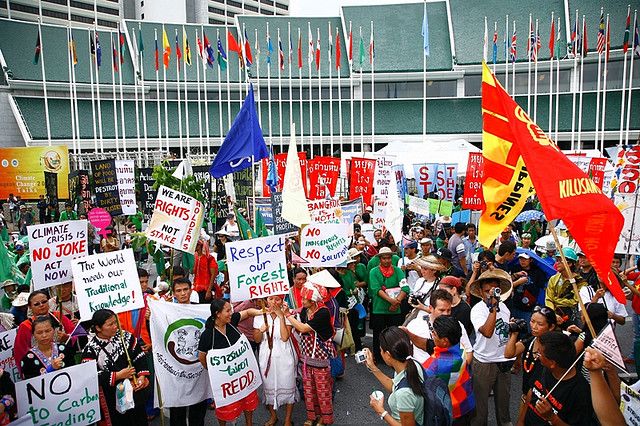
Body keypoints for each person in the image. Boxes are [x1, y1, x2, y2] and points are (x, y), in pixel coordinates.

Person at [198, 299, 263, 426]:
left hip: (242, 375)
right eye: (227, 311)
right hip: (224, 381)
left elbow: (248, 312)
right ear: (217, 314)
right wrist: (213, 370)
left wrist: (261, 312)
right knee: (224, 406)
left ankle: (249, 424)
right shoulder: (207, 335)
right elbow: (202, 357)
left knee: (247, 398)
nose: (231, 313)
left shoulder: (232, 322)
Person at [82, 309, 150, 425]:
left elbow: (139, 356)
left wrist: (141, 376)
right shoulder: (90, 349)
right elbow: (91, 375)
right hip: (113, 397)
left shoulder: (126, 337)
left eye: (115, 322)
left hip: (134, 391)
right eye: (110, 324)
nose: (115, 326)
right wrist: (118, 375)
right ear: (98, 328)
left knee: (139, 420)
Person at [283, 283, 336, 426]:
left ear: (312, 300)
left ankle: (323, 419)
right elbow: (297, 314)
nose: (302, 300)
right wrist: (289, 311)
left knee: (322, 390)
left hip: (320, 358)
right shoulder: (305, 311)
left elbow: (302, 327)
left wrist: (287, 315)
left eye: (304, 298)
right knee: (309, 390)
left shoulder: (322, 312)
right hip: (307, 356)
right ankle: (312, 416)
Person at [468, 269, 514, 426]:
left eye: (494, 290)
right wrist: (493, 309)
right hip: (483, 363)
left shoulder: (505, 309)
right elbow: (487, 332)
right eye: (486, 291)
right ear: (480, 292)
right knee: (480, 409)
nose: (490, 294)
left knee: (504, 406)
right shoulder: (477, 310)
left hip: (503, 362)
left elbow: (505, 335)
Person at [517, 332, 594, 426]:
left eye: (539, 353)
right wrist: (521, 421)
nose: (537, 355)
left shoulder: (581, 391)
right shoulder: (543, 367)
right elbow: (531, 392)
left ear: (552, 363)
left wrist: (552, 418)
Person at [363, 326, 427, 426]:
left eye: (381, 350)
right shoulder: (412, 363)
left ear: (388, 355)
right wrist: (372, 367)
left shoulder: (404, 394)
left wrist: (381, 411)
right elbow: (395, 386)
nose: (380, 353)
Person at [253, 296, 298, 426]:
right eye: (271, 299)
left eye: (277, 299)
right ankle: (274, 417)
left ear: (282, 300)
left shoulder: (288, 315)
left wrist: (282, 317)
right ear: (266, 300)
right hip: (266, 356)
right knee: (269, 386)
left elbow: (284, 337)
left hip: (284, 355)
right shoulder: (259, 316)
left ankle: (287, 420)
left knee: (288, 384)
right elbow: (256, 340)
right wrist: (261, 330)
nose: (274, 302)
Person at [169, 278, 208, 426]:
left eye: (186, 289)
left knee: (198, 409)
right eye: (178, 291)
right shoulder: (167, 310)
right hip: (176, 369)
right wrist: (150, 317)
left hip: (198, 368)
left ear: (191, 290)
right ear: (174, 293)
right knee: (177, 408)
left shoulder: (202, 309)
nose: (183, 293)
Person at [423, 316, 475, 425]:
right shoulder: (461, 348)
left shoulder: (433, 365)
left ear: (445, 341)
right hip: (467, 402)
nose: (432, 335)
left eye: (434, 334)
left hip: (451, 411)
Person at [13, 291, 76, 376]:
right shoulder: (25, 326)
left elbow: (76, 335)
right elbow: (20, 352)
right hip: (37, 368)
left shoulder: (59, 317)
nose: (41, 305)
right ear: (30, 307)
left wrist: (67, 337)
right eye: (36, 304)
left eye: (44, 302)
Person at [402, 289, 473, 364]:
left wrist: (458, 371)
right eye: (441, 310)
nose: (446, 314)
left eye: (448, 310)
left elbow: (468, 351)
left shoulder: (457, 325)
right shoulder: (415, 325)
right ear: (430, 308)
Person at [504, 305, 557, 397]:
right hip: (525, 392)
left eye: (540, 324)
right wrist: (514, 334)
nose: (534, 326)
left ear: (551, 327)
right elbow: (509, 354)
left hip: (543, 397)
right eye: (532, 321)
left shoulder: (554, 347)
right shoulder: (530, 339)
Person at [369, 247, 410, 364]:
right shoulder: (374, 271)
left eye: (389, 258)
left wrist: (397, 302)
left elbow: (405, 287)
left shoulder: (398, 271)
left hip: (395, 309)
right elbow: (376, 289)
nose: (387, 260)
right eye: (384, 258)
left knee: (394, 334)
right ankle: (378, 355)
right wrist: (392, 301)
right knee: (378, 334)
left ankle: (395, 355)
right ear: (380, 259)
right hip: (379, 309)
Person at [545, 247, 587, 326]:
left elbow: (575, 302)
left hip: (570, 318)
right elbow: (548, 299)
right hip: (553, 316)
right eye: (557, 260)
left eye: (560, 261)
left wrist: (556, 300)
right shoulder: (553, 279)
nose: (557, 263)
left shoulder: (580, 282)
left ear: (570, 264)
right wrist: (553, 314)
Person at [510, 252, 548, 324]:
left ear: (530, 260)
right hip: (514, 304)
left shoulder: (537, 272)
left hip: (529, 306)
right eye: (521, 259)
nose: (522, 261)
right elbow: (507, 283)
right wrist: (516, 277)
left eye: (525, 259)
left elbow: (542, 286)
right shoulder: (515, 268)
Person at [438, 276, 474, 342]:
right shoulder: (443, 305)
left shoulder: (464, 309)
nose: (440, 293)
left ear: (454, 290)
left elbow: (459, 334)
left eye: (443, 290)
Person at [193, 238, 219, 303]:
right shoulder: (195, 257)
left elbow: (213, 275)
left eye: (197, 245)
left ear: (201, 246)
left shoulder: (209, 258)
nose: (195, 246)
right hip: (197, 287)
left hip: (206, 289)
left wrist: (209, 290)